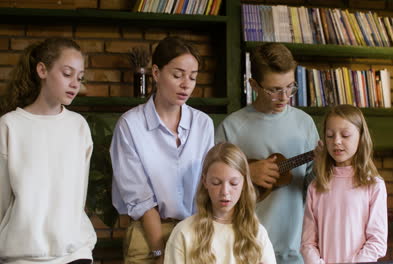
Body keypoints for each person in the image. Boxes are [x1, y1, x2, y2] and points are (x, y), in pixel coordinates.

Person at [110, 36, 214, 264]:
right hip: (148, 238)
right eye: (177, 75)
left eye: (193, 77)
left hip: (194, 233)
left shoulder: (203, 124)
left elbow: (209, 184)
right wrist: (159, 251)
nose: (186, 84)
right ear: (156, 73)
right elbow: (140, 199)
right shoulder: (130, 125)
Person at [215, 43, 319, 264]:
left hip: (295, 253)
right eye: (274, 90)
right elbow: (210, 188)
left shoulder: (305, 123)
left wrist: (323, 167)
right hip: (244, 252)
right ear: (253, 85)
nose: (285, 96)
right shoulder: (231, 127)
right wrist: (245, 174)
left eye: (290, 87)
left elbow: (315, 188)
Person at [0, 38, 96, 264]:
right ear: (42, 70)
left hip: (76, 252)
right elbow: (1, 201)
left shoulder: (78, 126)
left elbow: (78, 195)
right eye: (67, 74)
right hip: (22, 256)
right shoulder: (9, 126)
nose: (75, 84)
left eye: (79, 77)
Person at [301, 104, 388, 264]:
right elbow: (307, 243)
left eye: (345, 135)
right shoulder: (316, 186)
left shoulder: (374, 185)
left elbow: (377, 241)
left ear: (361, 137)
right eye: (330, 135)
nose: (337, 141)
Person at [164, 142, 276, 264]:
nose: (225, 192)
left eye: (233, 183)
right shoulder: (183, 232)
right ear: (205, 181)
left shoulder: (257, 234)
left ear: (244, 182)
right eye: (216, 183)